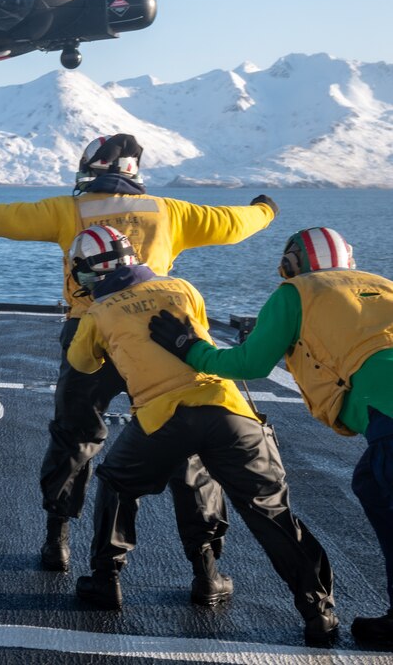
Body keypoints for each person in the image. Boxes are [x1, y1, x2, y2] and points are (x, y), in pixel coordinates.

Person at [0, 132, 278, 572]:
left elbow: (1, 218)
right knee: (186, 442)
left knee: (74, 434)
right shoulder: (171, 212)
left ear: (89, 171)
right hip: (164, 335)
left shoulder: (66, 210)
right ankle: (205, 567)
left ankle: (58, 539)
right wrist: (265, 209)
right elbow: (233, 223)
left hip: (89, 327)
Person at [68, 226, 338, 647]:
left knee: (117, 483)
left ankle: (106, 581)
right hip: (228, 409)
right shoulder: (181, 286)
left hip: (161, 418)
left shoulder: (98, 313)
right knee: (269, 511)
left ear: (86, 272)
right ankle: (312, 610)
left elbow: (82, 363)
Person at [150, 227, 393, 649]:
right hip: (384, 423)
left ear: (292, 264)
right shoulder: (384, 285)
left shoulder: (297, 291)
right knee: (369, 485)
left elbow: (250, 362)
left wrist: (187, 346)